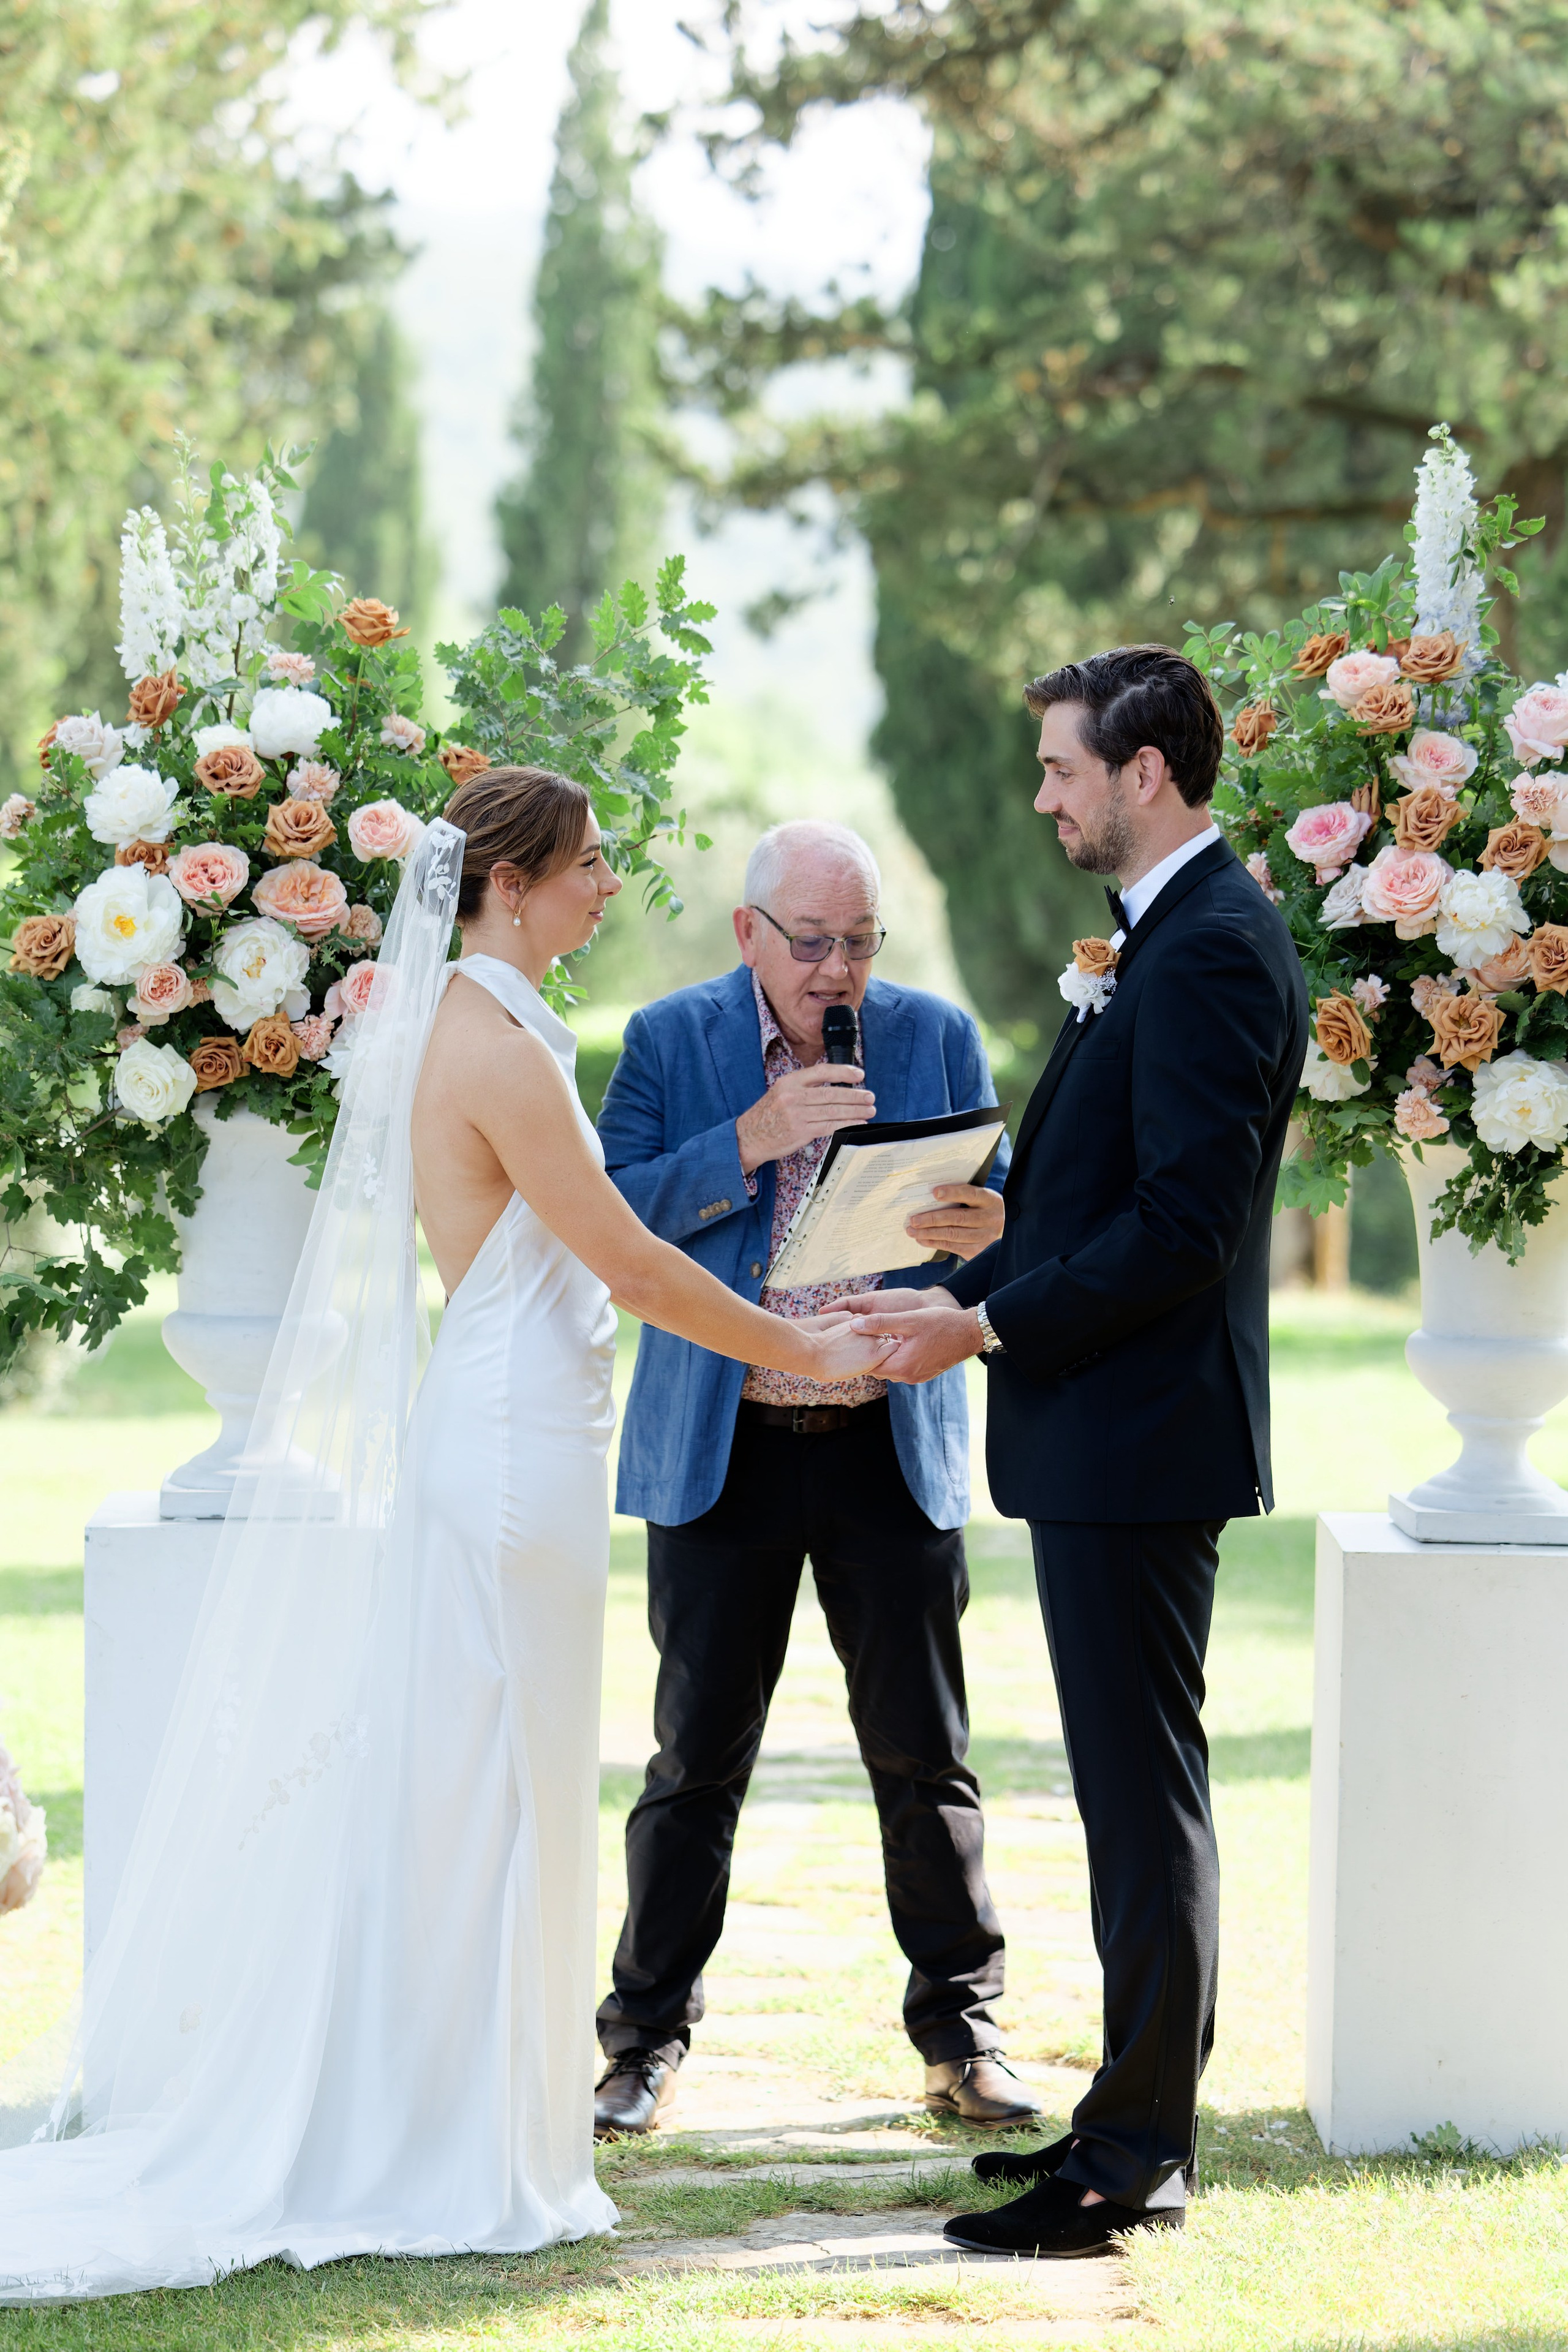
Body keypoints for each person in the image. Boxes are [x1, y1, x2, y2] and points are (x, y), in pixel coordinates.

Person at [0, 770, 892, 2303]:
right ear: (510, 884)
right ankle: (456, 2140)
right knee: (492, 1789)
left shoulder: (491, 1023)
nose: (606, 884)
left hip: (527, 1428)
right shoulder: (492, 1043)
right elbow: (627, 1263)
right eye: (586, 863)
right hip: (509, 1450)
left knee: (499, 1782)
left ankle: (481, 2118)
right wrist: (799, 1346)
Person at [839, 649, 1308, 2257]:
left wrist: (979, 1328)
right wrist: (975, 1251)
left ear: (1143, 772)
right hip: (1109, 1432)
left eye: (1060, 767)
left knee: (1143, 1797)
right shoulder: (1164, 935)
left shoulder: (1212, 947)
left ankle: (1132, 2162)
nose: (1041, 796)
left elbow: (1184, 1229)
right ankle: (1123, 2118)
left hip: (1141, 1438)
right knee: (1123, 1798)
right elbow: (1105, 1194)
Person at [589, 818, 1041, 2139]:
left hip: (882, 1446)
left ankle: (962, 2035)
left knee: (925, 1754)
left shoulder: (934, 1036)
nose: (836, 970)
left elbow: (1000, 1221)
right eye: (811, 942)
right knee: (695, 1761)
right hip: (723, 1446)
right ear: (749, 933)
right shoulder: (669, 1041)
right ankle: (642, 2042)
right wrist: (751, 1134)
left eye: (858, 943)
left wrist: (987, 1227)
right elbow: (609, 1217)